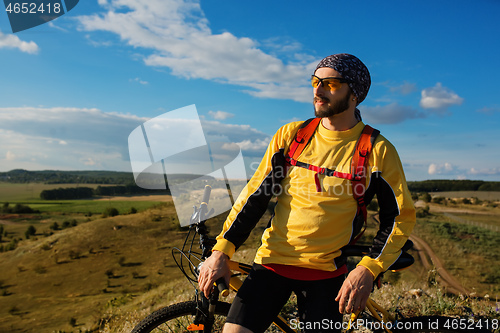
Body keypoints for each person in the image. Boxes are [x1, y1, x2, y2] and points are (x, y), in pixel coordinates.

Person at [198, 53, 416, 332]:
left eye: (331, 83)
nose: (318, 89)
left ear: (354, 94)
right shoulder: (291, 136)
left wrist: (369, 269)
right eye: (315, 81)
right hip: (271, 264)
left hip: (327, 276)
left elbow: (398, 217)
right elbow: (255, 197)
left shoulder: (377, 150)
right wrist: (221, 251)